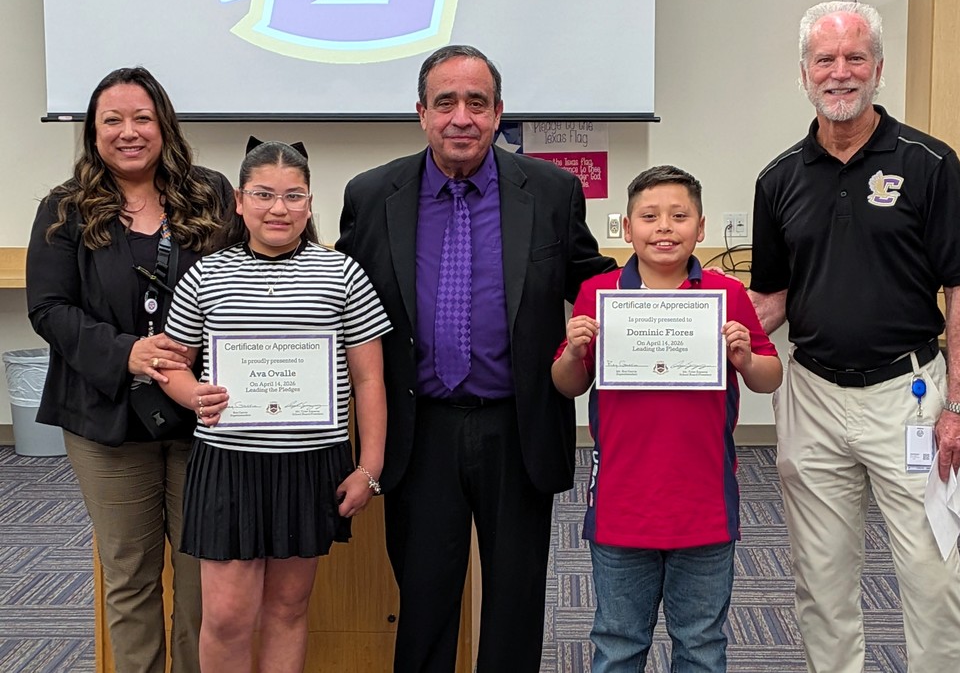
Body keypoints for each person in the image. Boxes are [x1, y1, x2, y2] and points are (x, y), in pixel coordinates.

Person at [337, 44, 617, 672]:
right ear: (421, 113)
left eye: (477, 103)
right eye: (445, 103)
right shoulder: (373, 194)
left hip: (517, 427)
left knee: (515, 605)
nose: (461, 117)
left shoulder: (550, 191)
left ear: (498, 113)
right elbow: (337, 297)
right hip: (421, 427)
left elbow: (594, 282)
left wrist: (679, 302)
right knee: (426, 600)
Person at [749, 1, 960, 673]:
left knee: (931, 574)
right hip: (813, 397)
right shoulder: (779, 179)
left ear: (878, 69)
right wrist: (695, 334)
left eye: (855, 57)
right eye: (825, 60)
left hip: (909, 398)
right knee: (821, 583)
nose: (840, 72)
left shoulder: (929, 163)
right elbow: (771, 297)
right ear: (804, 73)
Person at [26, 66, 233, 672]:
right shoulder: (63, 209)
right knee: (129, 577)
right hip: (106, 421)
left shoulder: (214, 195)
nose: (129, 132)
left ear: (164, 125)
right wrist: (126, 353)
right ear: (93, 132)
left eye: (142, 117)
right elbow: (48, 308)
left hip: (204, 420)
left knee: (202, 584)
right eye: (112, 120)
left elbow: (249, 278)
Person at [158, 139, 390, 673]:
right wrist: (192, 393)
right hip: (228, 467)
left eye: (293, 196)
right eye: (263, 194)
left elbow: (370, 378)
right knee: (227, 617)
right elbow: (172, 363)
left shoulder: (343, 274)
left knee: (288, 610)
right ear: (239, 202)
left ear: (310, 204)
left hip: (309, 465)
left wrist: (369, 467)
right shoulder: (206, 274)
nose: (278, 208)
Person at [552, 165, 781, 672]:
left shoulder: (726, 294)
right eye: (649, 216)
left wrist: (744, 359)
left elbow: (771, 376)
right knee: (617, 642)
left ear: (700, 228)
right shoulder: (598, 292)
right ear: (626, 227)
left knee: (700, 644)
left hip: (703, 503)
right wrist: (573, 352)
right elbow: (568, 383)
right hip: (622, 502)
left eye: (679, 216)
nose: (664, 227)